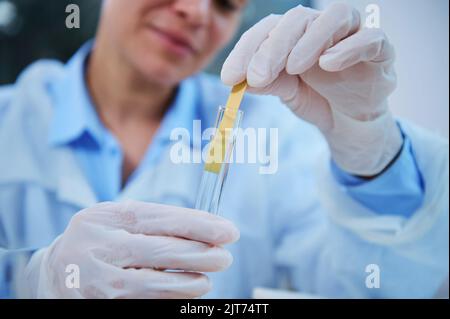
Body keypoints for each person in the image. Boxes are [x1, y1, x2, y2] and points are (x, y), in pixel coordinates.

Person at [0, 0, 448, 299]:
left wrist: (373, 155)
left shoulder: (277, 136)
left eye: (224, 2)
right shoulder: (8, 122)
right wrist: (33, 279)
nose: (196, 11)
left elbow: (381, 287)